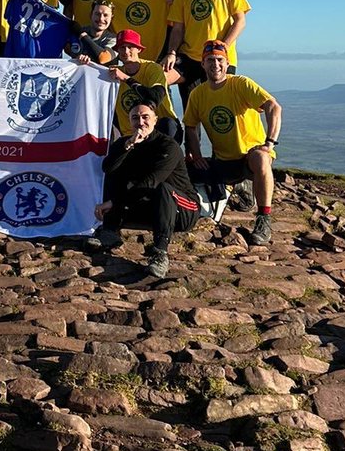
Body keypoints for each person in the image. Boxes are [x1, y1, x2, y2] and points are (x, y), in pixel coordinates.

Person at [184, 40, 282, 247]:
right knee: (182, 169)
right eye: (210, 60)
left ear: (227, 63)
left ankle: (263, 219)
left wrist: (269, 143)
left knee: (261, 158)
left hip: (249, 158)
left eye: (220, 60)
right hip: (222, 161)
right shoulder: (197, 94)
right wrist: (196, 154)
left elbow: (274, 107)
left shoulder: (241, 84)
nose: (215, 64)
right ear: (202, 64)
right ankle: (230, 190)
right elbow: (190, 126)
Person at [93, 102, 200, 279]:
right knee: (115, 170)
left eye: (145, 117)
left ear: (155, 120)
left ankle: (160, 253)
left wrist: (114, 203)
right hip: (150, 209)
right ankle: (110, 230)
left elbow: (151, 182)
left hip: (183, 209)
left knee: (163, 189)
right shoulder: (125, 143)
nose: (140, 122)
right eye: (135, 118)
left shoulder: (168, 146)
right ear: (129, 121)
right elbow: (107, 168)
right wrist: (128, 146)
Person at [164, 0, 251, 107]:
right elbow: (178, 28)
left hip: (221, 59)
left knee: (221, 110)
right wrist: (172, 53)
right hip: (191, 57)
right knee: (190, 111)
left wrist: (223, 47)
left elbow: (240, 21)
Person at [108, 29, 181, 142]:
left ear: (139, 49)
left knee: (168, 124)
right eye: (122, 47)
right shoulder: (112, 72)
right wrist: (82, 62)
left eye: (130, 46)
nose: (126, 51)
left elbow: (155, 96)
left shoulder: (152, 68)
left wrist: (126, 78)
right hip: (131, 135)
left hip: (160, 131)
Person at [66, 0, 119, 66]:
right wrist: (78, 59)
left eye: (105, 15)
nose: (101, 19)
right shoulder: (79, 31)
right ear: (91, 15)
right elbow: (66, 48)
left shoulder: (114, 40)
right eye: (97, 14)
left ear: (111, 18)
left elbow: (103, 58)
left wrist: (83, 36)